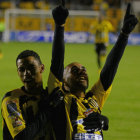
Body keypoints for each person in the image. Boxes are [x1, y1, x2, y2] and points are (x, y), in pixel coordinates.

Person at [48, 3, 138, 140]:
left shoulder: (93, 100)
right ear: (63, 82)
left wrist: (124, 35)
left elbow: (110, 68)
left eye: (83, 69)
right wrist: (59, 27)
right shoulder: (60, 99)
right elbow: (57, 62)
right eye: (74, 70)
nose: (81, 71)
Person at [1, 4, 68, 140]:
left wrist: (59, 26)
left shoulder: (50, 95)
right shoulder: (12, 99)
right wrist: (48, 109)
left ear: (42, 68)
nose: (26, 73)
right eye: (21, 70)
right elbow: (22, 138)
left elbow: (57, 63)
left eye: (31, 68)